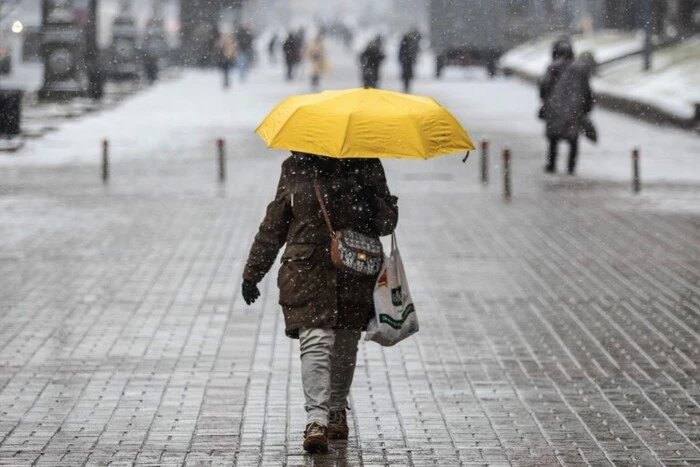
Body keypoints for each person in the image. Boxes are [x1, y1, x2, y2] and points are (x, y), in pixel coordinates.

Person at [241, 153, 399, 453]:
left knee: (345, 343)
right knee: (315, 341)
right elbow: (275, 223)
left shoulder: (366, 164)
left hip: (353, 272)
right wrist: (253, 273)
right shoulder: (296, 167)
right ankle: (317, 419)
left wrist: (370, 200)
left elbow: (386, 222)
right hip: (307, 270)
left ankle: (337, 408)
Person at [541, 51, 595, 175]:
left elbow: (544, 87)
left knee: (553, 138)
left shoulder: (553, 68)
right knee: (573, 139)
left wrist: (546, 102)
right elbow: (587, 91)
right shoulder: (581, 70)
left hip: (555, 107)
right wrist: (587, 107)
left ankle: (552, 164)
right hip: (575, 108)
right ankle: (571, 167)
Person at [398, 28, 421, 93]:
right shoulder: (408, 42)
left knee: (407, 73)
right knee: (407, 73)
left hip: (408, 60)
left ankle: (406, 85)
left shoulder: (409, 42)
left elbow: (414, 51)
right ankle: (406, 85)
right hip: (406, 59)